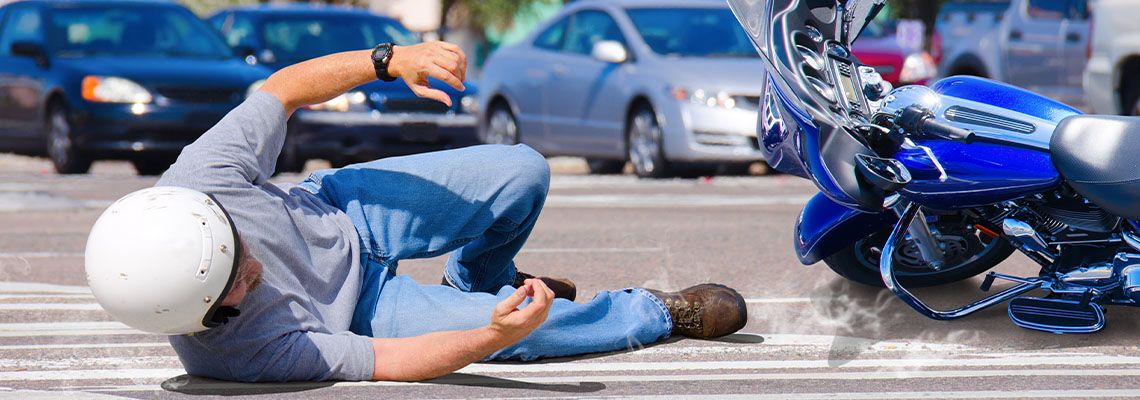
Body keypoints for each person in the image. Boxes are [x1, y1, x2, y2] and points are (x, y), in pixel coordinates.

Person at [84, 41, 748, 383]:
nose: (252, 267)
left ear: (207, 218)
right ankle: (659, 311)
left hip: (343, 211)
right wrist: (490, 339)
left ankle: (481, 279)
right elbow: (392, 362)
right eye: (236, 287)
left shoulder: (197, 179)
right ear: (205, 317)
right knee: (527, 335)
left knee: (521, 170)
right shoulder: (237, 356)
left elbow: (281, 90)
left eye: (235, 247)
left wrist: (390, 60)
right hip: (363, 309)